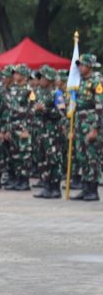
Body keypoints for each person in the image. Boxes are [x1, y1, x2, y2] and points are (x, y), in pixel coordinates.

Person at [71, 53, 101, 201]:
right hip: (79, 123)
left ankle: (93, 189)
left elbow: (100, 106)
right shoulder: (80, 81)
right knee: (81, 156)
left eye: (82, 64)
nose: (80, 67)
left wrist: (95, 128)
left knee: (92, 157)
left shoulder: (97, 81)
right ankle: (85, 187)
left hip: (90, 123)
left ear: (89, 65)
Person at [32, 66, 65, 199]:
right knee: (42, 159)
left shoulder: (57, 94)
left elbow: (61, 113)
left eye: (43, 77)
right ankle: (46, 185)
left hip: (52, 132)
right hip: (40, 131)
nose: (40, 80)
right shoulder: (38, 93)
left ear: (50, 79)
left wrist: (45, 109)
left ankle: (55, 188)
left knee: (54, 159)